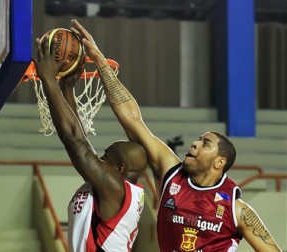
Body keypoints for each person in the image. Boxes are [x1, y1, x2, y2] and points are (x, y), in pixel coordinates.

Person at [70, 19, 282, 251]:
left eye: (205, 143)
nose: (194, 144)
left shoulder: (236, 208)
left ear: (219, 161)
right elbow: (133, 120)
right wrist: (100, 60)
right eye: (199, 139)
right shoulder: (172, 174)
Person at [33, 34, 148, 251]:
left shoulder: (116, 189)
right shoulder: (117, 188)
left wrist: (49, 80)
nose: (99, 159)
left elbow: (78, 145)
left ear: (119, 169)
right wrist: (67, 88)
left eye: (105, 158)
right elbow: (82, 143)